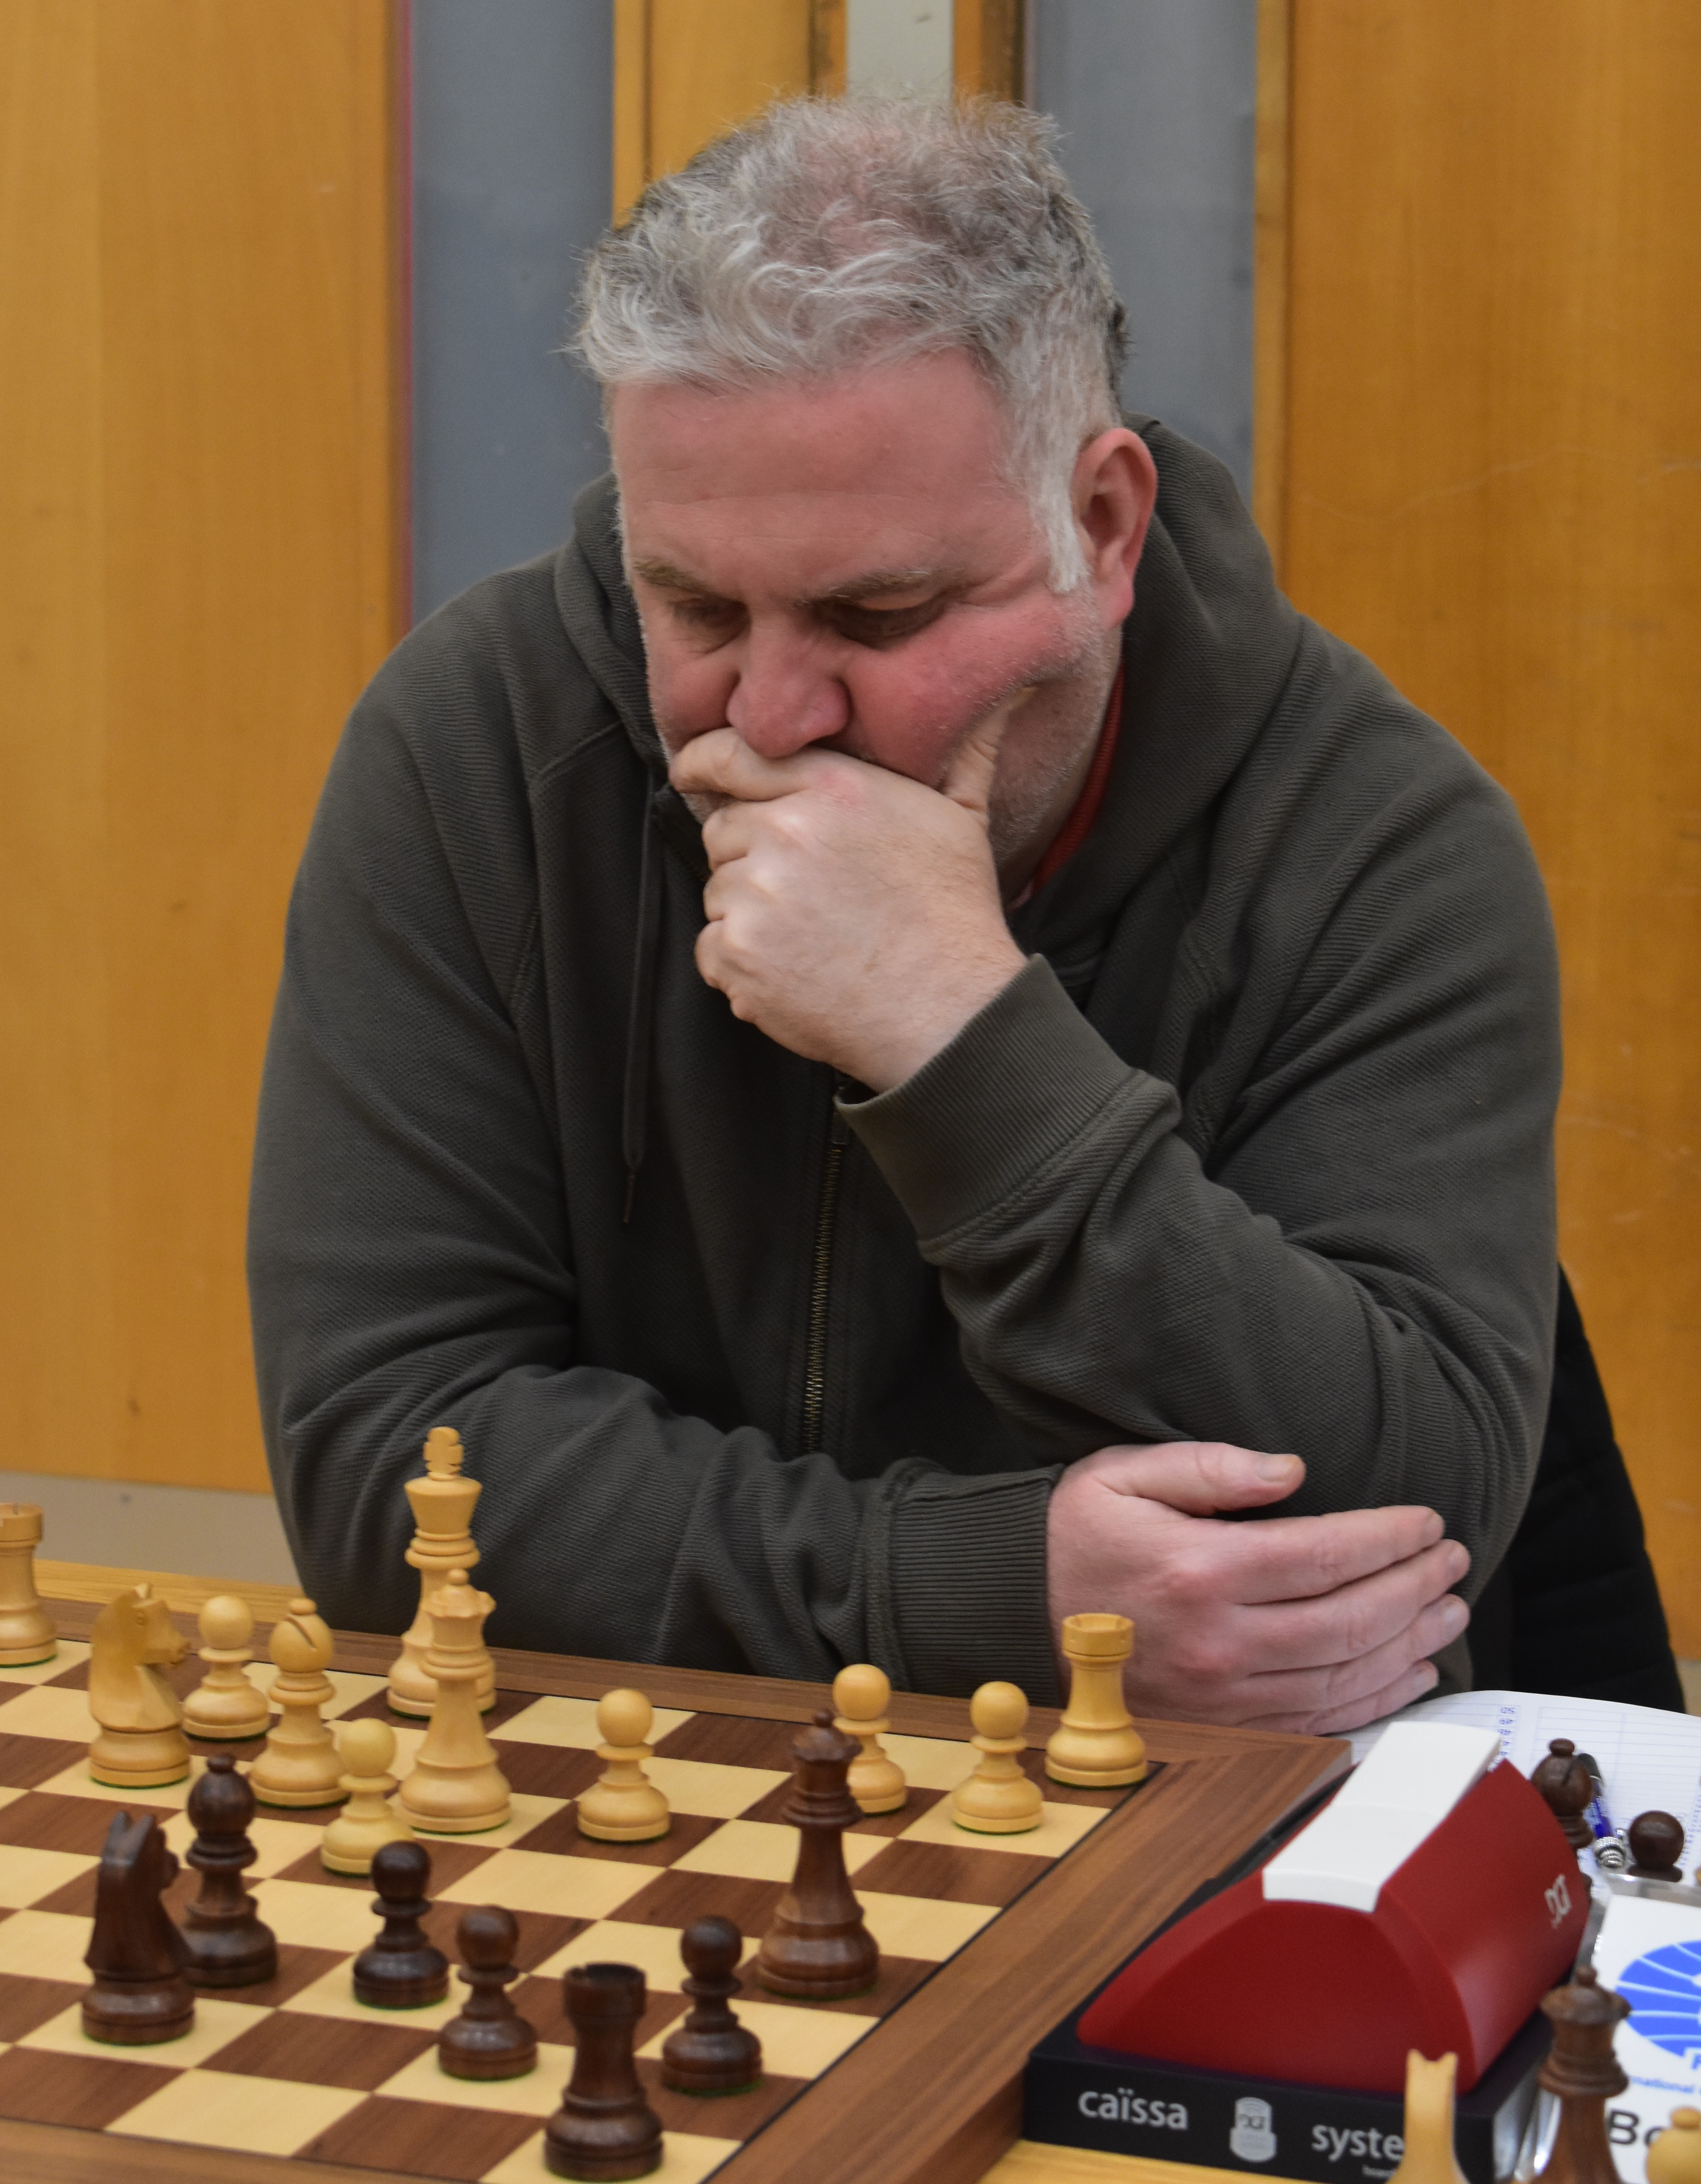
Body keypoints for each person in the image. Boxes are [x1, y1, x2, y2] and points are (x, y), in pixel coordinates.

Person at [249, 97, 1561, 1735]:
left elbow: (1403, 1520)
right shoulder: (480, 747)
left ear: (1100, 527)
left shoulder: (1378, 844)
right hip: (616, 1799)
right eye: (694, 606)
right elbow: (384, 1469)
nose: (772, 713)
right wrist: (981, 1597)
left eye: (880, 613)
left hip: (1188, 1827)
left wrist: (965, 1041)